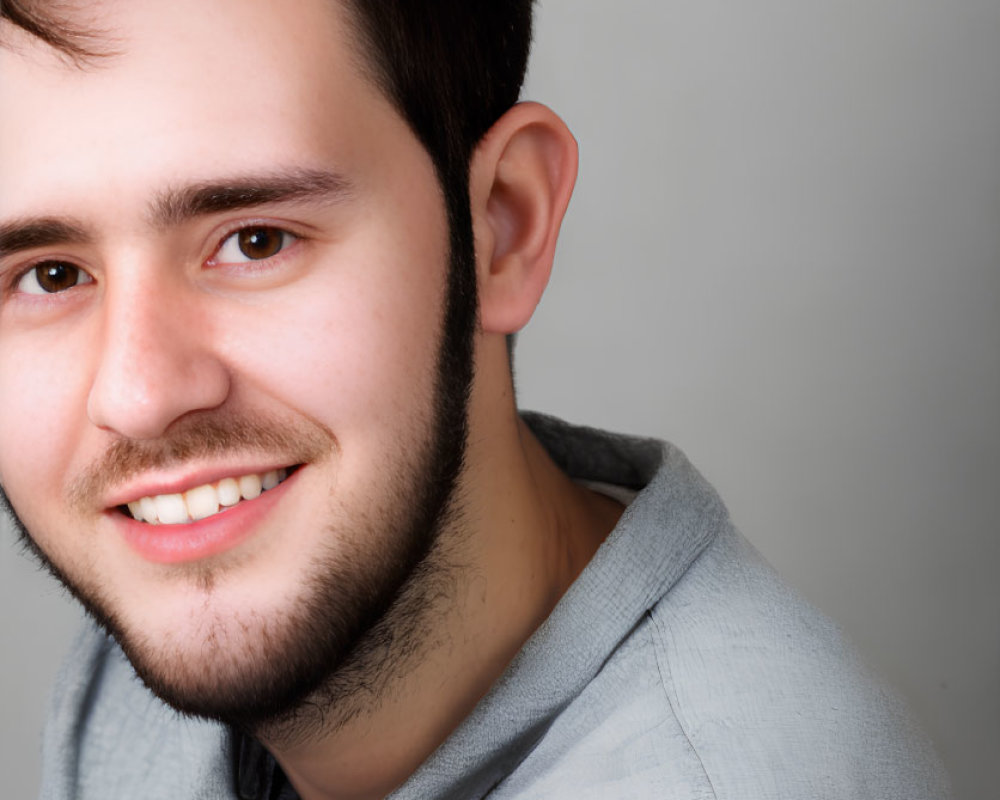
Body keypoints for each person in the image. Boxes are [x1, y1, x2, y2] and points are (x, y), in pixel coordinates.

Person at [0, 1, 951, 798]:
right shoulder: (134, 685)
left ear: (504, 227)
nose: (138, 396)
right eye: (48, 275)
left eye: (256, 240)